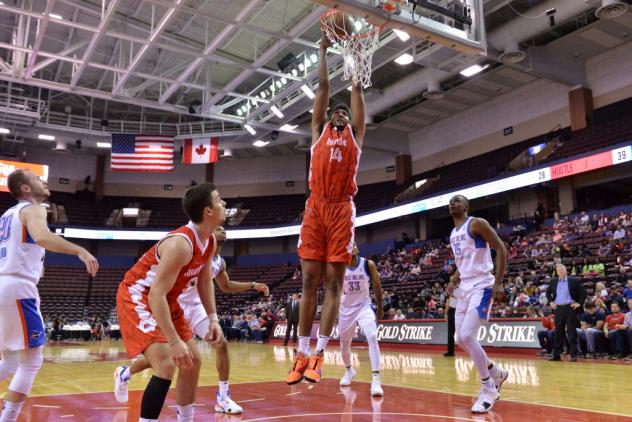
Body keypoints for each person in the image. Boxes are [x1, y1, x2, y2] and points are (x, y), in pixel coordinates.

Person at [113, 226, 269, 414]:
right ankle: (125, 373)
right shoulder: (188, 249)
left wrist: (252, 285)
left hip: (195, 308)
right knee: (164, 357)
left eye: (223, 229)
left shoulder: (219, 263)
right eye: (217, 228)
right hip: (174, 303)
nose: (221, 230)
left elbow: (226, 285)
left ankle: (223, 397)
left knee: (221, 343)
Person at [288, 30, 366, 385]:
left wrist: (354, 55)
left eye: (344, 111)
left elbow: (357, 91)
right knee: (309, 279)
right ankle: (301, 352)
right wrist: (322, 51)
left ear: (349, 120)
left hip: (341, 209)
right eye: (335, 109)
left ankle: (320, 351)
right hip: (316, 207)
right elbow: (322, 90)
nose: (339, 112)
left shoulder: (355, 136)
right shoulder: (318, 130)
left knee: (333, 281)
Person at [115, 183, 225, 422]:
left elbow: (205, 281)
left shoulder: (210, 242)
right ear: (207, 211)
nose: (224, 204)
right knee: (167, 363)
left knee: (192, 362)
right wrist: (174, 341)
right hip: (139, 296)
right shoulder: (181, 244)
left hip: (166, 298)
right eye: (219, 200)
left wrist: (213, 318)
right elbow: (155, 295)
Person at [0, 169, 99, 422]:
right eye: (36, 179)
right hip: (17, 288)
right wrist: (80, 251)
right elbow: (43, 237)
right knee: (31, 362)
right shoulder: (33, 208)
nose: (43, 182)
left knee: (11, 359)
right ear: (24, 189)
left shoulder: (7, 215)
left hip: (5, 285)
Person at [446, 195, 508, 414]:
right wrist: (453, 281)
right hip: (464, 288)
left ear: (466, 206)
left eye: (457, 200)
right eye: (450, 201)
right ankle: (496, 372)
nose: (452, 203)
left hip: (482, 285)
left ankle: (488, 388)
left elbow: (501, 248)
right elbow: (462, 263)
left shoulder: (476, 223)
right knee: (460, 338)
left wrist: (499, 282)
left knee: (468, 335)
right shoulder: (453, 234)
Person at [338, 244, 384, 396]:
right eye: (350, 244)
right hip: (345, 309)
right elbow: (333, 290)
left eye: (355, 244)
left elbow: (377, 286)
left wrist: (380, 308)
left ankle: (376, 379)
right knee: (344, 345)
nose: (353, 246)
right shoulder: (339, 267)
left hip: (364, 306)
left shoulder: (368, 264)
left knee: (372, 336)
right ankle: (349, 370)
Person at [546, 263, 585, 362]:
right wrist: (550, 302)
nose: (560, 271)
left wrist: (579, 303)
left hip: (570, 309)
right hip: (558, 309)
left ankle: (573, 355)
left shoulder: (573, 280)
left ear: (566, 270)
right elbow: (547, 292)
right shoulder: (553, 281)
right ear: (556, 272)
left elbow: (583, 292)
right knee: (558, 332)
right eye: (558, 270)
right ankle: (556, 355)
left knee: (572, 332)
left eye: (562, 269)